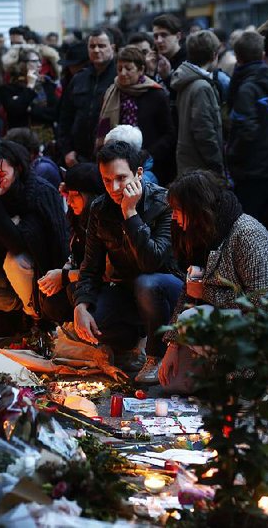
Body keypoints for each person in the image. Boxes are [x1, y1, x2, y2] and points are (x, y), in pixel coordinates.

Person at [158, 170, 268, 387]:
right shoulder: (198, 233)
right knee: (173, 384)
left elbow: (262, 302)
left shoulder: (246, 234)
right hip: (228, 316)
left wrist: (205, 292)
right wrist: (173, 345)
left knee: (190, 321)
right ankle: (222, 369)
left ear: (196, 209)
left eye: (178, 210)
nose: (174, 217)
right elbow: (189, 291)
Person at [73, 141, 183, 383]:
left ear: (139, 174)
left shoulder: (163, 202)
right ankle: (131, 341)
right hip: (126, 290)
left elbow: (151, 262)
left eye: (121, 178)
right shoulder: (100, 208)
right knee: (87, 320)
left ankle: (155, 354)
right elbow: (91, 266)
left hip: (166, 289)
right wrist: (81, 305)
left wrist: (130, 214)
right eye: (106, 180)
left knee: (147, 283)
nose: (113, 188)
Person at [0, 141, 69, 333]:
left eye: (1, 174)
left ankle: (34, 314)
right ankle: (20, 308)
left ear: (17, 169)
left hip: (37, 275)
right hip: (2, 274)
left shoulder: (37, 193)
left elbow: (19, 245)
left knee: (15, 261)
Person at [226, 31, 268, 242]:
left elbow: (246, 131)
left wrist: (231, 156)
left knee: (250, 226)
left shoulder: (247, 88)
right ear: (262, 54)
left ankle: (256, 271)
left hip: (251, 169)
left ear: (238, 57)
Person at [37, 162, 106, 323]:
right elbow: (75, 255)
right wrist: (62, 273)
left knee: (71, 290)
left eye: (75, 195)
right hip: (83, 279)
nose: (69, 202)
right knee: (51, 298)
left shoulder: (103, 221)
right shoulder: (77, 219)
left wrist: (65, 276)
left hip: (104, 286)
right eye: (68, 196)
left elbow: (105, 272)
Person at [96, 46, 174, 184]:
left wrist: (147, 154)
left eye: (128, 68)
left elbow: (168, 135)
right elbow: (102, 128)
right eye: (119, 69)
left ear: (141, 70)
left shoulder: (156, 94)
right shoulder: (111, 92)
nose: (123, 73)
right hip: (115, 161)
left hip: (148, 165)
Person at [58, 29, 117, 167]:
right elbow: (65, 118)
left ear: (112, 48)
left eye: (101, 46)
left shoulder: (119, 78)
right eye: (92, 46)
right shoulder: (79, 78)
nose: (96, 50)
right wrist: (67, 151)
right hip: (77, 157)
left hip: (110, 157)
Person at [172, 30, 224, 176]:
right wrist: (217, 164)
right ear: (214, 55)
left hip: (189, 166)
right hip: (201, 168)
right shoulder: (201, 87)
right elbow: (204, 131)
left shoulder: (188, 81)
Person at [0, 45, 59, 147]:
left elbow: (55, 113)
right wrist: (30, 86)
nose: (39, 65)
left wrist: (30, 109)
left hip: (46, 141)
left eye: (39, 61)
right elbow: (15, 110)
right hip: (19, 142)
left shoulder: (47, 84)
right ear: (21, 64)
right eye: (34, 61)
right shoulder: (9, 88)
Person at [152, 13, 186, 85]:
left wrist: (167, 78)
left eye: (164, 35)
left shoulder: (188, 63)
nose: (159, 40)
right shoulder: (154, 61)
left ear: (178, 36)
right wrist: (150, 72)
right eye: (156, 36)